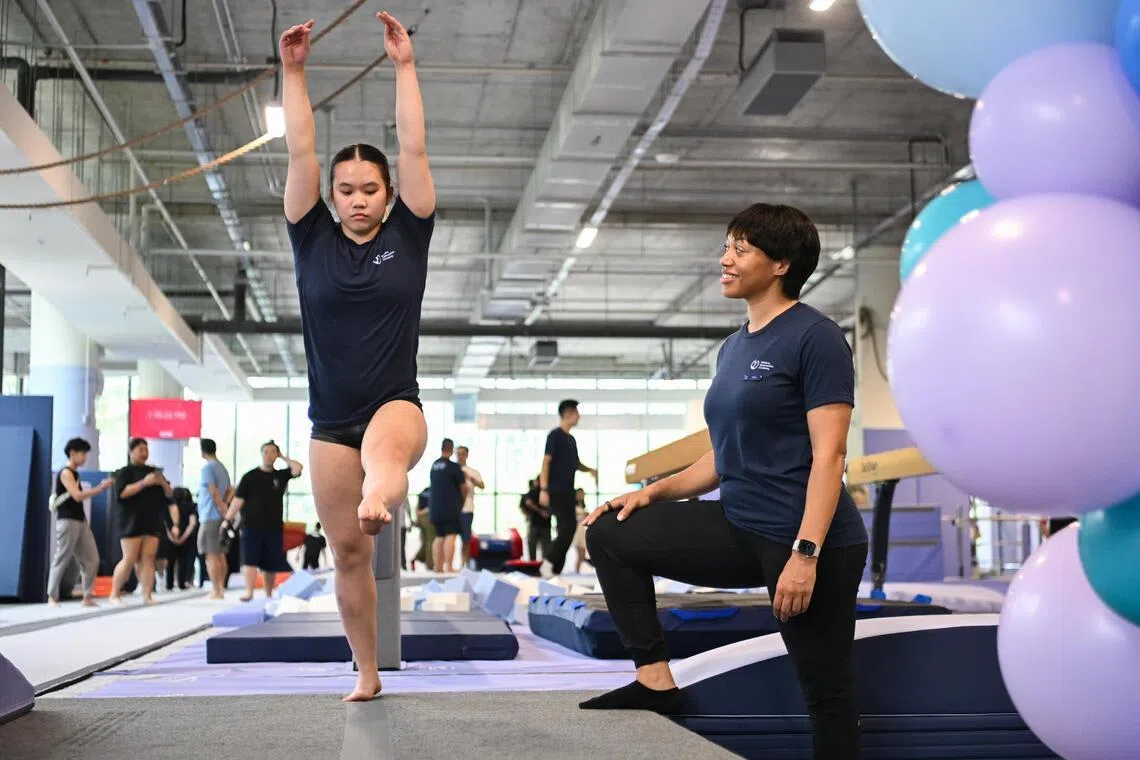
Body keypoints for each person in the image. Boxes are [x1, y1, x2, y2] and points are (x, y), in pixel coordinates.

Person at [579, 203, 869, 760]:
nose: (725, 259)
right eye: (727, 246)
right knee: (612, 533)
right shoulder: (735, 346)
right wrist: (651, 491)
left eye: (740, 249)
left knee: (827, 694)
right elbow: (722, 456)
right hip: (740, 524)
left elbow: (830, 457)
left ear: (781, 263)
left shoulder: (817, 338)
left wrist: (805, 555)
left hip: (810, 540)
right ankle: (656, 683)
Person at [281, 11, 434, 702]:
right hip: (328, 422)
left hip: (396, 406)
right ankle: (367, 672)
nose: (358, 199)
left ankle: (381, 493)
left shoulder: (411, 230)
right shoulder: (309, 235)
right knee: (347, 553)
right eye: (347, 190)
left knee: (385, 460)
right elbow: (301, 154)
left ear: (389, 194)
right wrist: (293, 73)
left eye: (371, 189)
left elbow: (415, 151)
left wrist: (405, 67)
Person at [222, 441, 303, 601]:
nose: (269, 455)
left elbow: (298, 469)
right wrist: (227, 520)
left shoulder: (280, 475)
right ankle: (249, 591)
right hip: (251, 525)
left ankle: (268, 593)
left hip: (273, 526)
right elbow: (238, 500)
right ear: (261, 454)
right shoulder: (250, 476)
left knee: (270, 563)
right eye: (266, 451)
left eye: (273, 452)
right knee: (249, 560)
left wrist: (283, 456)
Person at [109, 438, 179, 605]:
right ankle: (114, 593)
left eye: (146, 450)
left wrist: (161, 482)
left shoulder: (155, 472)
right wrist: (144, 483)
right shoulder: (125, 472)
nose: (144, 453)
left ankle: (147, 595)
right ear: (131, 452)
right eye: (140, 450)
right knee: (129, 558)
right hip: (130, 521)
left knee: (148, 558)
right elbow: (122, 493)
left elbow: (169, 495)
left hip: (152, 520)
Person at [46, 437, 113, 607]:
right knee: (62, 556)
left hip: (80, 520)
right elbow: (76, 496)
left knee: (91, 558)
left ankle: (87, 596)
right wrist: (100, 488)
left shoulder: (75, 473)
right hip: (67, 520)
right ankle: (52, 596)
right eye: (82, 453)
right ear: (72, 453)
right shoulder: (66, 473)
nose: (84, 457)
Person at [539, 399, 597, 575]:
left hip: (568, 491)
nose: (579, 416)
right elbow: (546, 462)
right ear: (568, 414)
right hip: (555, 490)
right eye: (576, 413)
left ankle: (555, 568)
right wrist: (543, 489)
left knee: (568, 528)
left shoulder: (571, 439)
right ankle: (548, 563)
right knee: (567, 527)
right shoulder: (554, 436)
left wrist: (590, 470)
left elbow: (576, 463)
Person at [197, 438, 233, 600]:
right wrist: (226, 508)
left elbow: (213, 491)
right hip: (221, 516)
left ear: (203, 451)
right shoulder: (223, 468)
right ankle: (220, 589)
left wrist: (222, 508)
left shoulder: (208, 469)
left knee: (211, 555)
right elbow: (230, 490)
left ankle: (216, 590)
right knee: (220, 555)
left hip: (210, 515)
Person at [428, 439, 469, 572]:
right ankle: (449, 566)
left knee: (439, 536)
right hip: (450, 507)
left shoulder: (434, 465)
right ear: (451, 450)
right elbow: (464, 487)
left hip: (435, 507)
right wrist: (463, 499)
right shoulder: (453, 467)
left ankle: (437, 566)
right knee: (450, 535)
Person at [165, 487, 199, 590]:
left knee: (170, 562)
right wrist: (183, 537)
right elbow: (192, 523)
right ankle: (182, 583)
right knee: (183, 561)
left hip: (170, 538)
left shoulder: (169, 507)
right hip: (187, 539)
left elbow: (165, 523)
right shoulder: (191, 506)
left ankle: (169, 584)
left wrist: (171, 537)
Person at [456, 445, 484, 566]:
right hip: (453, 509)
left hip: (467, 508)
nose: (460, 456)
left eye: (462, 453)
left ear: (467, 455)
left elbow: (482, 485)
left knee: (465, 538)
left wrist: (470, 478)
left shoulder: (472, 472)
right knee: (450, 537)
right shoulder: (452, 469)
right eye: (458, 453)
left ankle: (464, 563)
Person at [520, 477, 551, 561]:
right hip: (534, 523)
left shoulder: (550, 493)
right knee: (532, 547)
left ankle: (545, 566)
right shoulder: (532, 493)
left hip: (546, 525)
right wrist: (540, 511)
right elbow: (526, 504)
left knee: (546, 549)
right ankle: (532, 566)